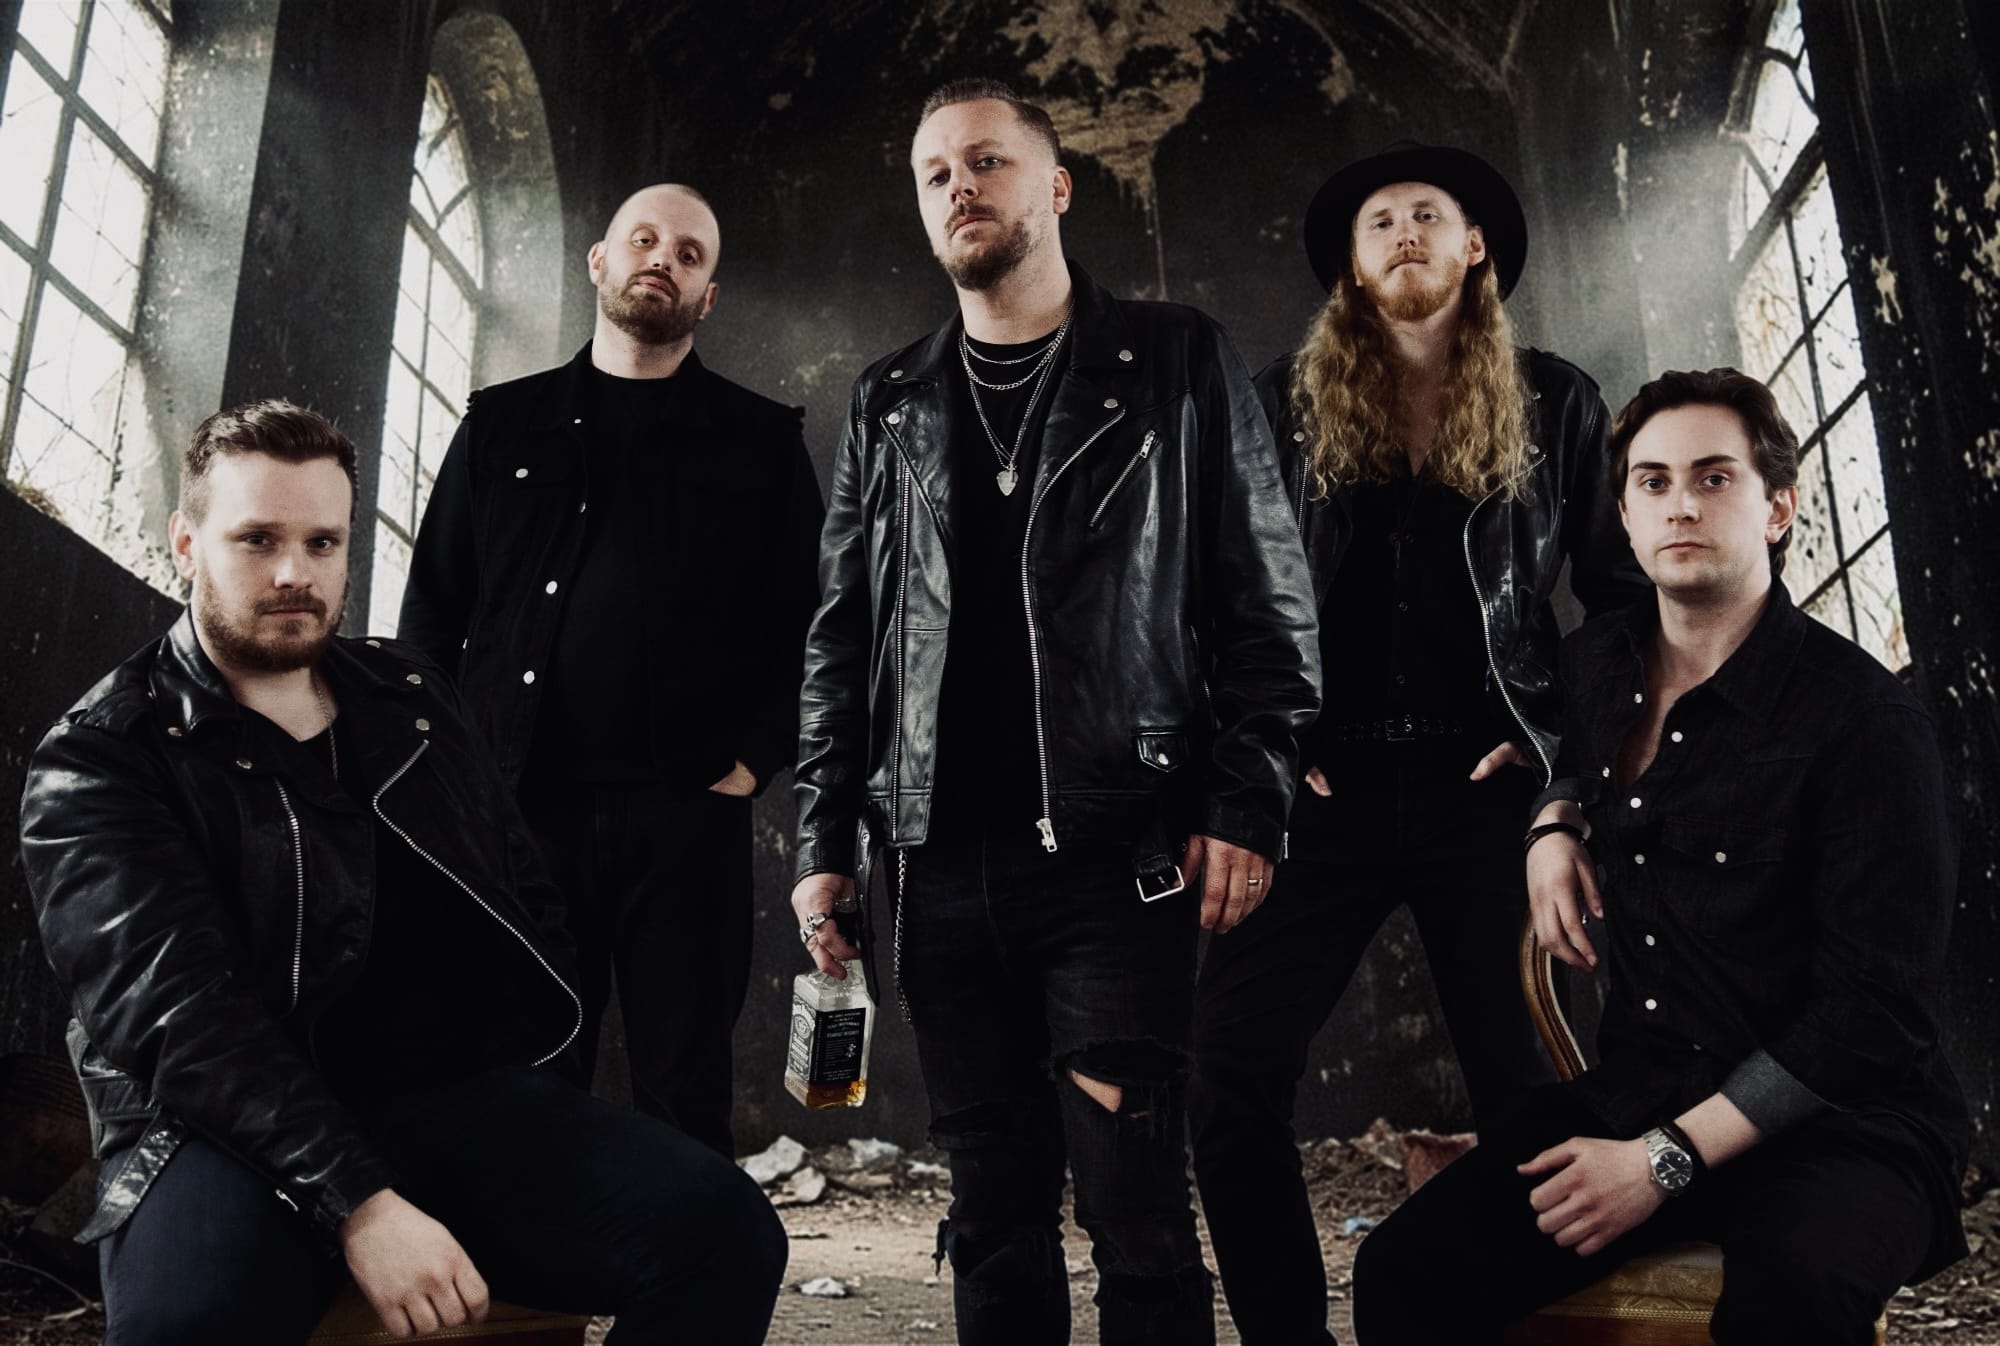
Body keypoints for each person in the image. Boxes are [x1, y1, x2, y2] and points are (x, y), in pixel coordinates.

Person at [20, 401, 788, 1345]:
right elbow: (185, 1027)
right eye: (256, 539)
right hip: (214, 1129)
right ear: (186, 542)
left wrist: (511, 1082)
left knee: (729, 1235)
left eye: (322, 540)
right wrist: (361, 1206)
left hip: (438, 1099)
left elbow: (519, 883)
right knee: (193, 1322)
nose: (294, 572)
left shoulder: (410, 696)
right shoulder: (101, 757)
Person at [789, 79, 1319, 1346]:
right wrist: (820, 840)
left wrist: (1247, 794)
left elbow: (1268, 600)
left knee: (1134, 1203)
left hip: (1113, 851)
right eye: (933, 173)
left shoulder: (1175, 357)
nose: (959, 185)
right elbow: (843, 633)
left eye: (987, 160)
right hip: (932, 863)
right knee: (990, 1206)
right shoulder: (891, 399)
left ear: (1055, 185)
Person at [1351, 367, 1968, 1345]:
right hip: (1641, 1088)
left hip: (1841, 1124)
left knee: (1789, 1305)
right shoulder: (1595, 664)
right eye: (1650, 481)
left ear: (1777, 507)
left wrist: (1662, 1160)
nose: (1678, 501)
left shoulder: (1863, 722)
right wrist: (1550, 821)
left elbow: (1866, 1020)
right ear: (1625, 519)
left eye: (1713, 477)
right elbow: (1550, 738)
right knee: (1399, 1274)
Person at [1189, 139, 1649, 1345]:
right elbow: (1208, 596)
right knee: (1224, 1080)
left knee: (1534, 1099)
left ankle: (1504, 1323)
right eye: (1378, 219)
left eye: (1426, 214)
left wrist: (1558, 759)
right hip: (1318, 794)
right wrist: (1263, 750)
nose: (1402, 230)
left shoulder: (1555, 401)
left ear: (1473, 243)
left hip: (1481, 790)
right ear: (1349, 260)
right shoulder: (1276, 401)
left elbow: (1615, 608)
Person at [399, 182, 824, 1155]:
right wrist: (445, 774)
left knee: (682, 1078)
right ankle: (532, 1303)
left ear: (706, 296)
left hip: (687, 814)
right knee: (523, 1064)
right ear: (598, 261)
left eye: (688, 254)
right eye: (643, 239)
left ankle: (681, 1300)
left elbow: (814, 625)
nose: (661, 260)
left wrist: (760, 758)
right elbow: (430, 615)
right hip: (519, 806)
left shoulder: (760, 444)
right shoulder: (500, 428)